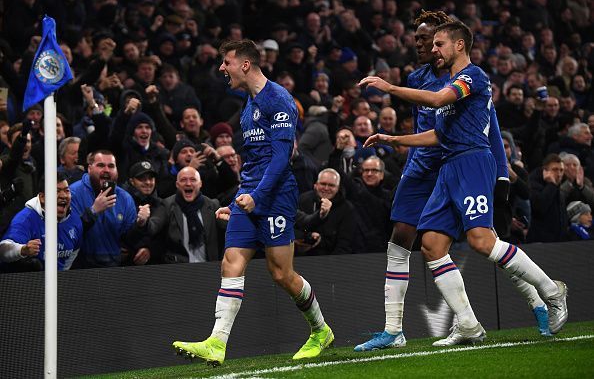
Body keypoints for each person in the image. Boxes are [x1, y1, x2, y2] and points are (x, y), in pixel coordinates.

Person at [360, 20, 567, 347]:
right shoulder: (450, 83)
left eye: (438, 43)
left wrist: (390, 89)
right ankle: (468, 325)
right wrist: (392, 138)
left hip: (471, 162)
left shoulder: (472, 77)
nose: (432, 49)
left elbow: (440, 101)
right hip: (448, 168)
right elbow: (438, 134)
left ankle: (551, 292)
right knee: (431, 245)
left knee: (483, 241)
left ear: (458, 45)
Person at [172, 39, 333, 365]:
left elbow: (279, 159)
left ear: (245, 64)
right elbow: (256, 161)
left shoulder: (279, 100)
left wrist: (256, 197)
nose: (221, 68)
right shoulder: (248, 106)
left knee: (281, 273)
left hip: (275, 196)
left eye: (226, 62)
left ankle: (320, 330)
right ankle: (217, 343)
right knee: (231, 261)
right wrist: (237, 202)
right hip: (250, 196)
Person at [70, 150, 150, 268]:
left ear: (117, 170)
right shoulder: (73, 193)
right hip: (80, 268)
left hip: (113, 268)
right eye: (101, 165)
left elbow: (128, 240)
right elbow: (69, 234)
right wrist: (93, 212)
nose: (106, 170)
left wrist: (140, 225)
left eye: (111, 166)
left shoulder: (125, 198)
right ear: (89, 168)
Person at [0, 172, 82, 272]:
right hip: (25, 282)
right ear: (42, 197)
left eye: (67, 190)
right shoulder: (26, 218)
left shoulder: (75, 220)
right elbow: (3, 250)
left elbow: (73, 253)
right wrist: (23, 250)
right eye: (57, 191)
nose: (64, 195)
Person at [150, 166, 225, 263]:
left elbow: (230, 230)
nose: (188, 183)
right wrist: (143, 221)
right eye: (183, 180)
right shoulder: (167, 205)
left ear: (200, 183)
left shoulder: (213, 205)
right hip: (178, 269)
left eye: (193, 180)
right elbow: (153, 227)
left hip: (209, 267)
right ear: (177, 184)